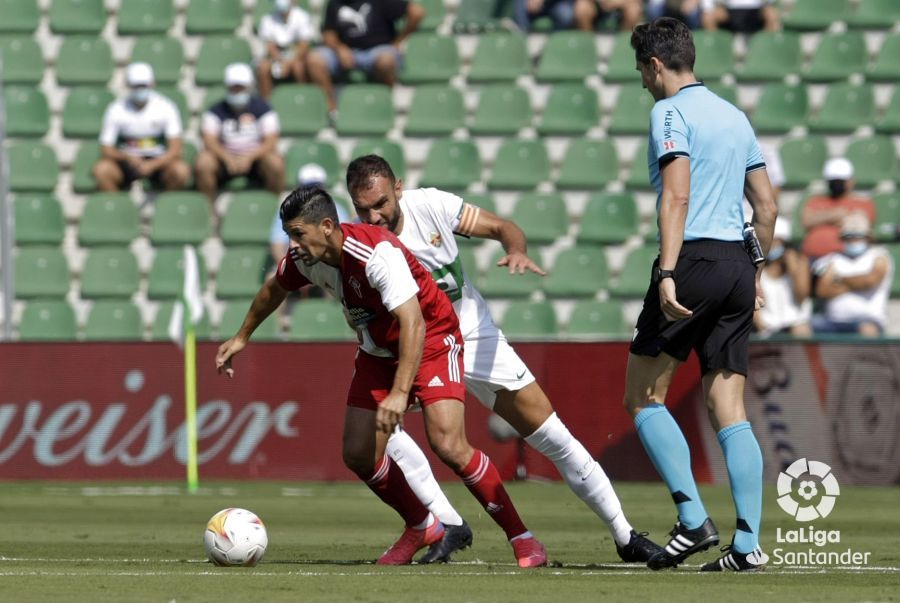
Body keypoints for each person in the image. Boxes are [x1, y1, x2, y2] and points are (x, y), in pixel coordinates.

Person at [346, 154, 664, 565]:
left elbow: (502, 227)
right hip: (412, 347)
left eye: (382, 204)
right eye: (363, 209)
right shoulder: (357, 242)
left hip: (472, 335)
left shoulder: (432, 206)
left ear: (399, 189)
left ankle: (625, 535)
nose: (374, 217)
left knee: (552, 436)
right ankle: (445, 520)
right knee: (375, 431)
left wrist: (516, 249)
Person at [216, 187, 547, 567]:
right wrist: (242, 336)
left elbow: (414, 323)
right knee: (358, 454)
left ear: (326, 226)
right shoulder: (306, 258)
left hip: (433, 338)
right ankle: (422, 525)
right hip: (378, 351)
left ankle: (523, 538)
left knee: (448, 444)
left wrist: (399, 393)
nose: (293, 244)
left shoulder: (375, 254)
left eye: (298, 234)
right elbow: (274, 288)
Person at [624, 18, 777, 572]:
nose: (642, 79)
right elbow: (767, 208)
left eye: (642, 69)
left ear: (656, 65)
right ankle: (748, 545)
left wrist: (667, 271)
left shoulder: (669, 111)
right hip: (738, 263)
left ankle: (692, 521)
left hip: (693, 257)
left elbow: (677, 195)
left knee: (643, 396)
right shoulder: (735, 116)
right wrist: (755, 274)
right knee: (728, 407)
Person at [307, 0, 425, 117]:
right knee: (314, 59)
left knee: (386, 61)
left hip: (378, 50)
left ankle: (385, 103)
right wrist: (340, 49)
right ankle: (331, 111)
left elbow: (417, 12)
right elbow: (328, 34)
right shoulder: (335, 3)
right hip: (345, 51)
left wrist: (399, 41)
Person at [195, 63, 285, 208]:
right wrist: (227, 158)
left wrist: (249, 158)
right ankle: (207, 210)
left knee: (275, 163)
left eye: (240, 87)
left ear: (249, 86)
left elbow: (271, 140)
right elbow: (209, 139)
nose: (237, 92)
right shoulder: (216, 110)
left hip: (256, 160)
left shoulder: (263, 108)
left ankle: (275, 208)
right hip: (224, 161)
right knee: (203, 162)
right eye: (233, 87)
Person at [92, 62, 190, 192]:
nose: (139, 90)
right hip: (127, 164)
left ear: (152, 84)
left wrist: (153, 165)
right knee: (101, 170)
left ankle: (167, 207)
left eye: (143, 85)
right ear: (128, 85)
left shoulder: (166, 107)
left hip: (159, 162)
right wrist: (126, 157)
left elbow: (176, 148)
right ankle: (116, 208)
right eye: (135, 86)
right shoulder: (116, 109)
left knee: (180, 171)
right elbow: (106, 148)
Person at [811, 213, 893, 338]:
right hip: (832, 320)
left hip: (867, 320)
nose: (854, 240)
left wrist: (837, 279)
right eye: (849, 236)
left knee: (867, 330)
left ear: (868, 237)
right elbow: (822, 290)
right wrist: (858, 283)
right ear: (842, 238)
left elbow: (870, 281)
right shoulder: (831, 259)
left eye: (858, 236)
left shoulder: (880, 256)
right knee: (804, 328)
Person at [801, 157, 876, 262]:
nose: (836, 184)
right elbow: (807, 221)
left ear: (851, 181)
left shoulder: (863, 203)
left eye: (840, 181)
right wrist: (835, 215)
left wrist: (821, 217)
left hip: (846, 259)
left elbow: (860, 224)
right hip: (812, 258)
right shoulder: (816, 200)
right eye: (833, 181)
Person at [753, 218, 812, 337]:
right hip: (767, 329)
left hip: (796, 325)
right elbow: (755, 309)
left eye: (777, 241)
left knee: (801, 331)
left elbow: (802, 296)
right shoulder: (756, 270)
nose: (772, 245)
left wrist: (793, 269)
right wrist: (762, 328)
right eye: (769, 241)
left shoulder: (800, 264)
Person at [256, 0, 316, 98]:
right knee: (263, 68)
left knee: (298, 67)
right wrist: (281, 61)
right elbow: (270, 46)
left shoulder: (302, 16)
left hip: (296, 57)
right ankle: (266, 103)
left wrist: (289, 63)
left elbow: (304, 45)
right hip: (276, 58)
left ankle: (302, 98)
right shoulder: (267, 19)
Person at [700, 0, 779, 34]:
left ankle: (766, 51)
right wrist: (708, 7)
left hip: (756, 10)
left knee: (772, 15)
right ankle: (716, 54)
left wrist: (768, 4)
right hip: (729, 10)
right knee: (708, 17)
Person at [573, 0, 642, 32]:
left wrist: (616, 2)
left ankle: (624, 46)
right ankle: (587, 45)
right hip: (596, 4)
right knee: (582, 8)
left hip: (621, 3)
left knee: (634, 10)